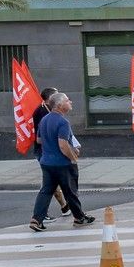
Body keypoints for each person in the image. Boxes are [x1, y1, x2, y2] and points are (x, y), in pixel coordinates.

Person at [29, 92, 96, 232]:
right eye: (67, 100)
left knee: (46, 190)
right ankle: (79, 218)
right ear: (59, 105)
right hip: (62, 163)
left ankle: (36, 219)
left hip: (46, 162)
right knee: (70, 191)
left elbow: (39, 140)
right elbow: (63, 145)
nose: (70, 102)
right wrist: (73, 157)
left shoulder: (44, 119)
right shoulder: (62, 122)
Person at [32, 87, 70, 221]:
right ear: (50, 99)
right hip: (46, 152)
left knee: (52, 183)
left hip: (48, 152)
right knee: (49, 184)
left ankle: (65, 206)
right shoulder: (42, 113)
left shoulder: (49, 112)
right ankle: (42, 214)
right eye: (57, 94)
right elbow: (40, 138)